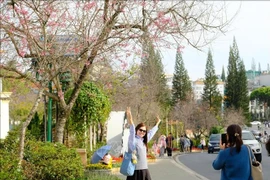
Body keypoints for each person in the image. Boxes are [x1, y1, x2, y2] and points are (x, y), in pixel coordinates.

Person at [126, 107, 161, 180]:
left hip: (144, 169)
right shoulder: (133, 139)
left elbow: (151, 133)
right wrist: (130, 119)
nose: (142, 132)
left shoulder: (143, 141)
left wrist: (157, 123)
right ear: (137, 130)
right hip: (135, 170)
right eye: (140, 130)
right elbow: (132, 130)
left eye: (144, 131)